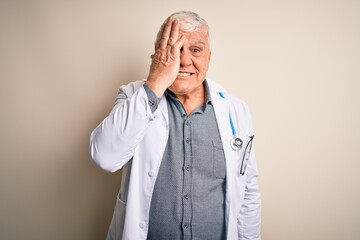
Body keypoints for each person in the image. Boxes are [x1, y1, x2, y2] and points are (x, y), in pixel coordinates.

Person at [90, 11, 261, 240]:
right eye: (174, 49)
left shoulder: (236, 111)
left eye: (196, 50)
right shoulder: (133, 97)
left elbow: (248, 192)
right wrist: (155, 83)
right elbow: (105, 157)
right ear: (159, 54)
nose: (185, 60)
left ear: (209, 56)